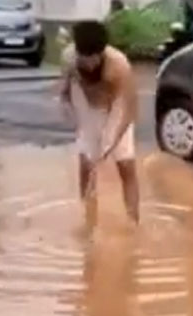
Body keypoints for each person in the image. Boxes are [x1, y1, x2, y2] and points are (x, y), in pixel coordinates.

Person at [59, 21, 139, 225]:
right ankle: (88, 220)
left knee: (126, 165)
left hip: (116, 109)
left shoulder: (119, 65)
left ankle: (133, 222)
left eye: (93, 59)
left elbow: (129, 109)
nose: (89, 65)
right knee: (86, 164)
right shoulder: (69, 58)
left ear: (102, 53)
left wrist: (110, 142)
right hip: (88, 109)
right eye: (83, 59)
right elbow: (65, 92)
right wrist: (74, 119)